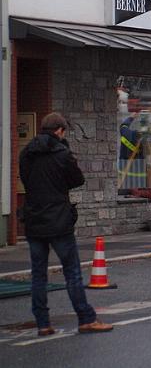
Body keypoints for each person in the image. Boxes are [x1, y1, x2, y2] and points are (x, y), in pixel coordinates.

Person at [20, 113, 113, 337]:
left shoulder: (26, 154)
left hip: (33, 219)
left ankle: (43, 323)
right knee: (72, 272)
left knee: (38, 274)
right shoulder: (62, 153)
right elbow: (77, 179)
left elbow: (24, 178)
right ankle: (85, 319)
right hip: (59, 220)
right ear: (60, 130)